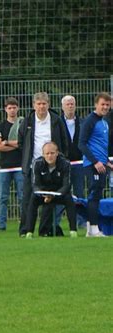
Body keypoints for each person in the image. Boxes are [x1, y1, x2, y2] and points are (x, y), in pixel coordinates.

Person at [18, 92, 68, 237]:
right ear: (34, 105)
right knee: (28, 199)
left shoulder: (56, 120)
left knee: (49, 199)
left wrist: (59, 160)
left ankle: (44, 230)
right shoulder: (27, 121)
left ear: (48, 104)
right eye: (38, 104)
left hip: (52, 168)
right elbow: (21, 142)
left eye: (44, 104)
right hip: (32, 167)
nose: (41, 107)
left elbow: (64, 141)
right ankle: (25, 230)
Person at [25, 142, 77, 239]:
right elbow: (35, 185)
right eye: (47, 153)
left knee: (69, 200)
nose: (50, 156)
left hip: (59, 193)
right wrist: (44, 195)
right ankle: (29, 232)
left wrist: (54, 196)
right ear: (43, 154)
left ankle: (73, 230)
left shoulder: (65, 163)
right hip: (43, 194)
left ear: (57, 153)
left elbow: (67, 185)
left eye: (52, 153)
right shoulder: (37, 163)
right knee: (32, 199)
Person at [78, 92, 112, 237]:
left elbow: (101, 145)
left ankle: (91, 227)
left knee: (97, 195)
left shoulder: (104, 122)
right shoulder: (89, 121)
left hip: (102, 164)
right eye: (102, 104)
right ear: (96, 105)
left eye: (107, 104)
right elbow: (82, 144)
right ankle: (93, 228)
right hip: (93, 165)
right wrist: (96, 161)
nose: (105, 107)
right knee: (94, 195)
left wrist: (107, 162)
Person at [0, 97, 23, 231]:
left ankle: (24, 222)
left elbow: (23, 144)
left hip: (20, 166)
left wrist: (7, 142)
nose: (12, 110)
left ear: (18, 108)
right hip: (4, 166)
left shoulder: (22, 125)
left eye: (14, 107)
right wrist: (15, 145)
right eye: (9, 108)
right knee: (3, 197)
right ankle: (2, 226)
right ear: (5, 109)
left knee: (22, 196)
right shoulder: (0, 127)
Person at [57, 95, 86, 228]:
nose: (70, 106)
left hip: (79, 163)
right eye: (67, 104)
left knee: (79, 192)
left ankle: (81, 221)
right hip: (63, 164)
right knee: (61, 192)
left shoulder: (82, 122)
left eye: (72, 104)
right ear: (62, 107)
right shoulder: (57, 123)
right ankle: (56, 221)